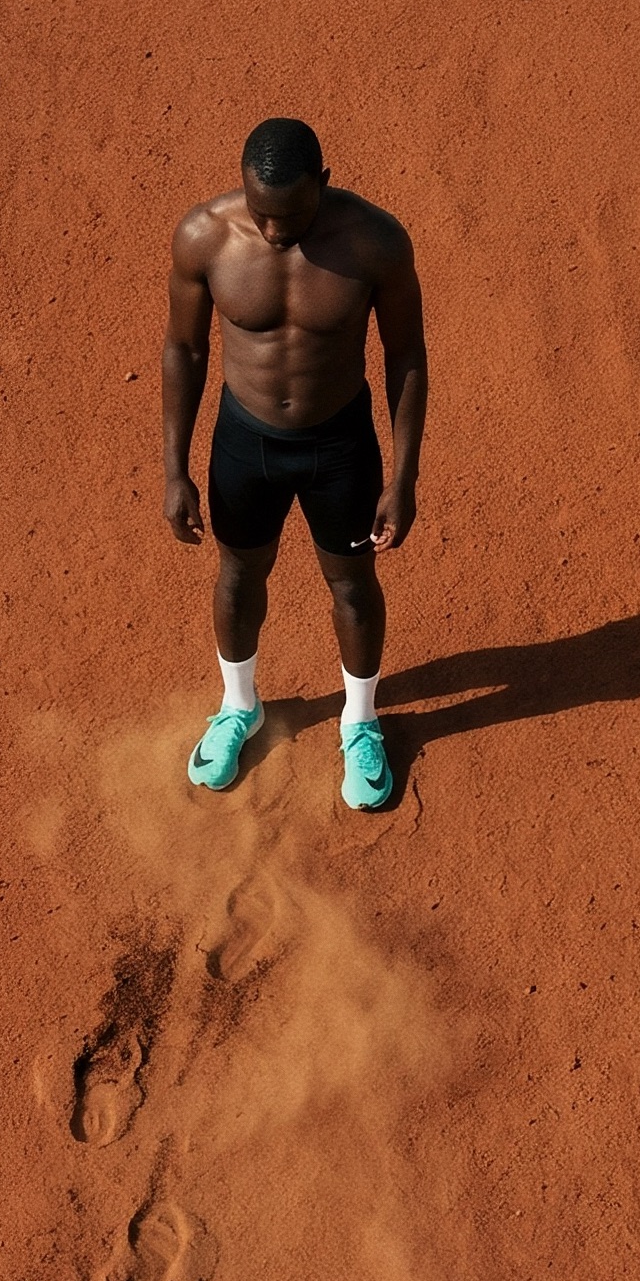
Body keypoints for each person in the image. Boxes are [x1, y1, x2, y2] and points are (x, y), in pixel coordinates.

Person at [162, 117, 427, 811]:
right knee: (238, 574)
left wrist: (403, 477)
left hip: (340, 447)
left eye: (293, 215)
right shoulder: (205, 237)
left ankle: (359, 722)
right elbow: (185, 350)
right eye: (263, 214)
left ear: (324, 184)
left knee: (352, 585)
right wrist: (174, 468)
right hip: (244, 444)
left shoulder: (374, 242)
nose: (277, 231)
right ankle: (239, 706)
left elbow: (406, 355)